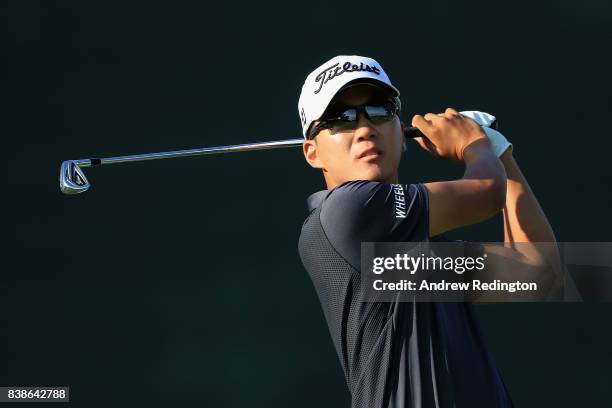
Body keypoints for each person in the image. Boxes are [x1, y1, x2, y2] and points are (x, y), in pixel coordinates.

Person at [297, 55, 558, 407]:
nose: (364, 128)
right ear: (313, 153)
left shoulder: (408, 257)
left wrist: (499, 150)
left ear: (402, 135)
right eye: (340, 119)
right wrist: (474, 144)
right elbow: (486, 191)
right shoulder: (345, 213)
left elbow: (537, 273)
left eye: (379, 111)